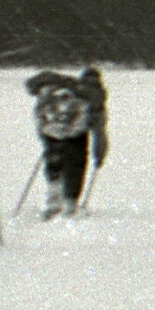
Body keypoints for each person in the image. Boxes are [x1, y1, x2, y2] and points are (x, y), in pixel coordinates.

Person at [25, 65, 108, 220]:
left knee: (54, 161)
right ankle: (70, 203)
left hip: (50, 129)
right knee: (75, 165)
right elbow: (99, 130)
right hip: (75, 134)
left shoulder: (63, 85)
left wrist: (45, 136)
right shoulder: (95, 97)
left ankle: (53, 201)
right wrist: (99, 155)